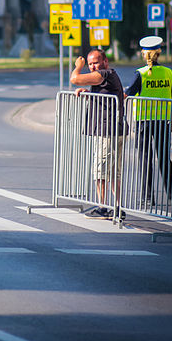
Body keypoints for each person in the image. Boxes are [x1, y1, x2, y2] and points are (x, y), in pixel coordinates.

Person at [70, 49, 127, 220]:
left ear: (105, 61)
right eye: (89, 64)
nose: (92, 66)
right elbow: (106, 96)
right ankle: (116, 207)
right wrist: (89, 94)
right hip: (111, 129)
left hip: (108, 130)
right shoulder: (105, 76)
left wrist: (78, 66)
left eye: (95, 62)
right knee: (112, 171)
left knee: (101, 170)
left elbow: (74, 79)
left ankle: (103, 207)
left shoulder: (105, 73)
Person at [125, 36, 172, 206]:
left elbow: (128, 94)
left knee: (145, 159)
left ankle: (148, 197)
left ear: (144, 53)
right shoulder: (168, 72)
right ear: (158, 53)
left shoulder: (140, 74)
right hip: (163, 121)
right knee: (164, 158)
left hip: (144, 122)